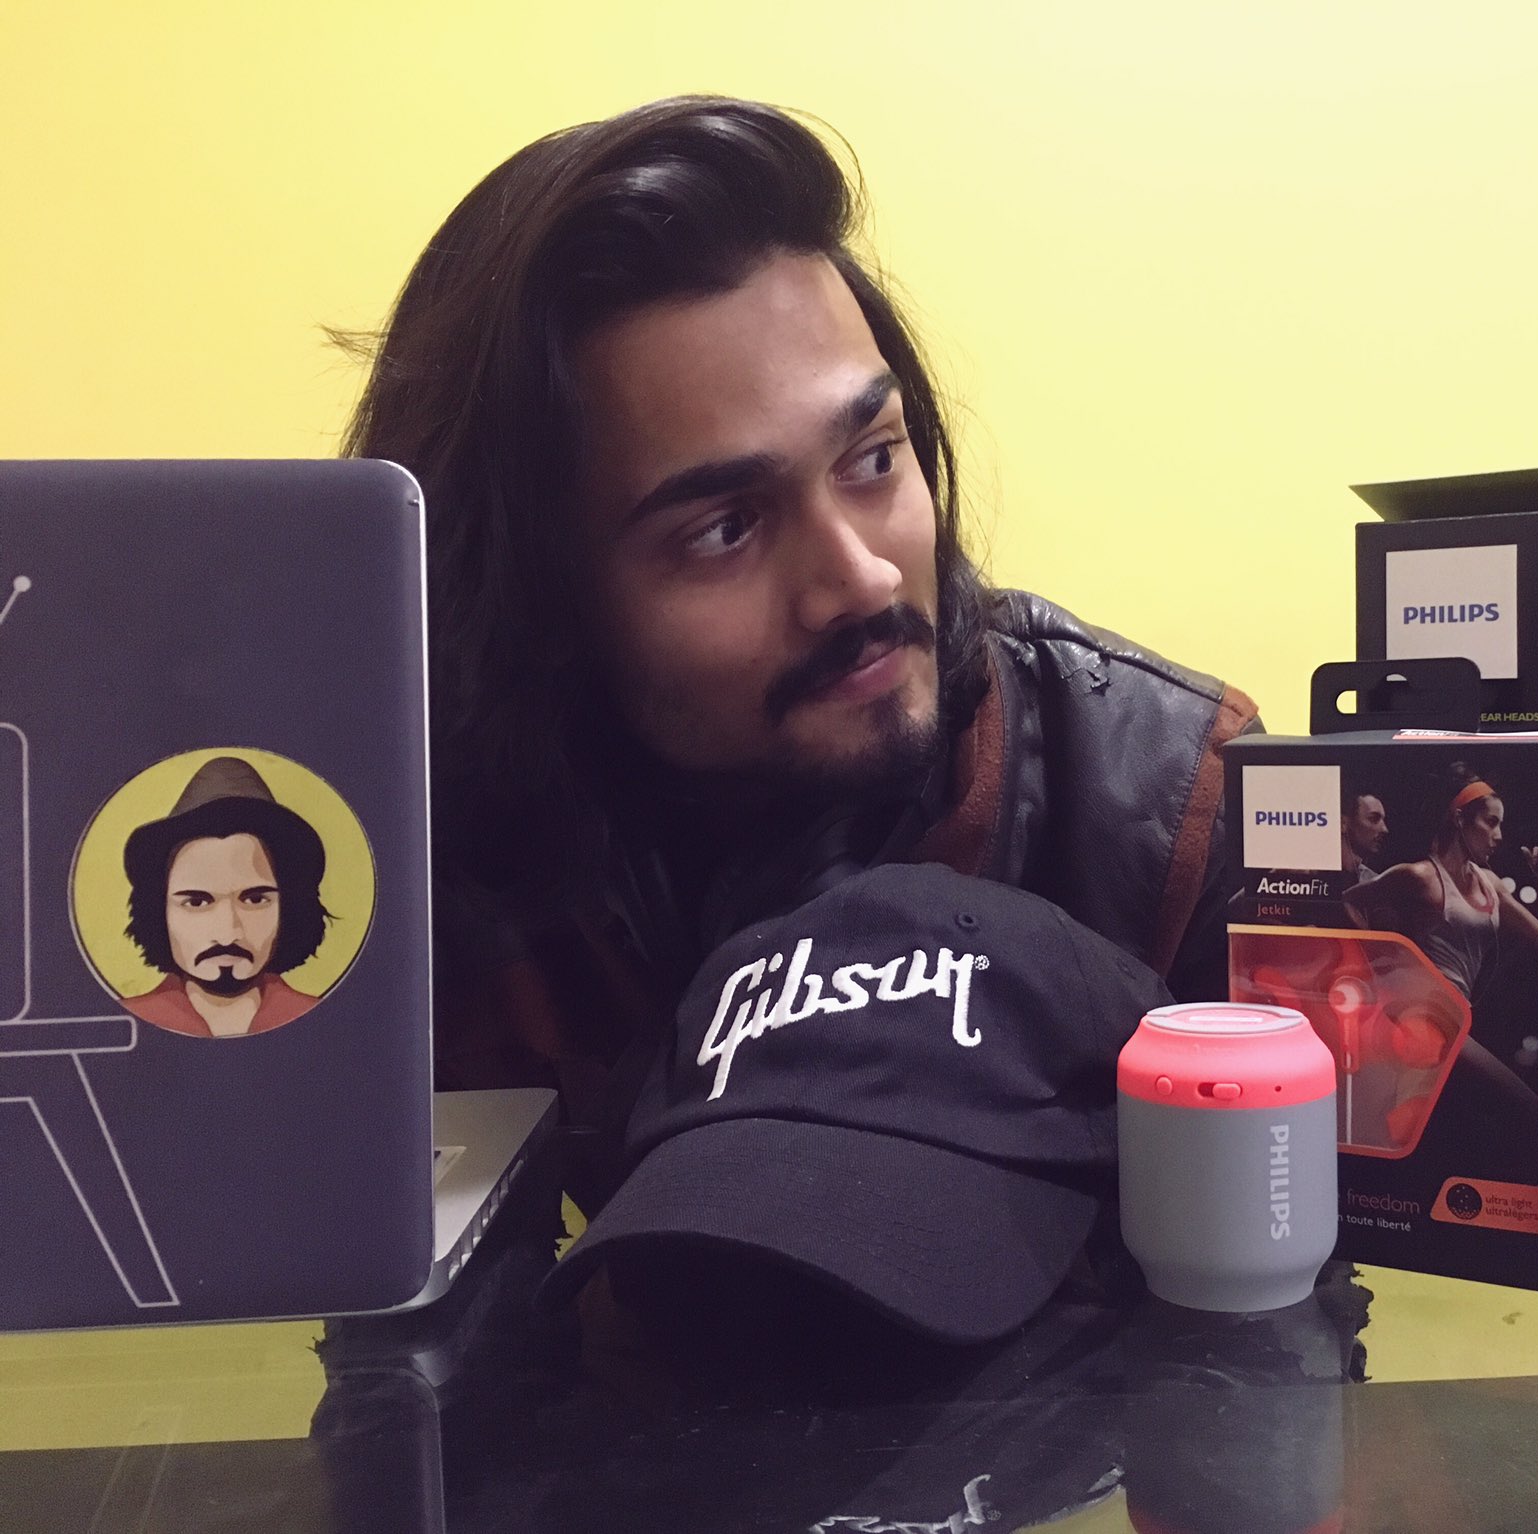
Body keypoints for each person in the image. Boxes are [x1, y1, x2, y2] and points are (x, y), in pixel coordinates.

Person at [338, 97, 1258, 1195]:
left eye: (872, 459)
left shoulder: (1177, 813)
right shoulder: (420, 874)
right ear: (533, 601)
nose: (860, 579)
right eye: (725, 528)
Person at [120, 757, 331, 1038]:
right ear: (158, 912)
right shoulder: (123, 1023)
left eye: (255, 900)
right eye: (196, 902)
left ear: (290, 908)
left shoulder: (328, 1021)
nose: (227, 933)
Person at [1345, 765, 1538, 1002]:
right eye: (1491, 822)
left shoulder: (1491, 884)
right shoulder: (1421, 876)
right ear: (1460, 819)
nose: (1499, 835)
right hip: (1418, 1007)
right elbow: (1349, 900)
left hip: (1458, 1010)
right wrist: (1379, 961)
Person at [1341, 791, 1389, 880]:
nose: (1384, 829)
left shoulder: (1377, 882)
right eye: (1373, 818)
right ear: (1343, 823)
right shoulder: (1317, 872)